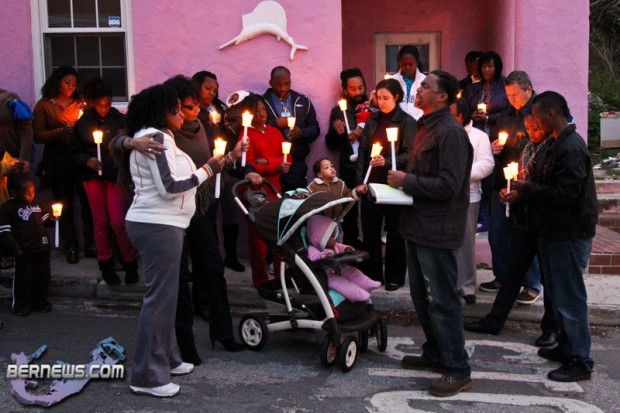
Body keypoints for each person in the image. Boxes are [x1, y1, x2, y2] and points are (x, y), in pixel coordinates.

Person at [121, 83, 224, 398]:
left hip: (166, 224)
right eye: (177, 108)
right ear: (160, 111)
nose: (182, 112)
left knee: (167, 299)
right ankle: (147, 376)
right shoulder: (156, 138)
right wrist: (209, 169)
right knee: (159, 301)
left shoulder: (164, 138)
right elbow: (170, 185)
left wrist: (222, 161)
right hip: (156, 224)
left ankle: (168, 358)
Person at [387, 70, 473, 397]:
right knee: (421, 298)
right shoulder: (426, 125)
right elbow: (421, 168)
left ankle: (457, 368)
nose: (418, 88)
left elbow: (449, 186)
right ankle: (435, 352)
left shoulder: (450, 132)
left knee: (443, 300)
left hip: (437, 228)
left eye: (425, 86)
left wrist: (405, 181)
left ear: (442, 97)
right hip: (416, 223)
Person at [510, 91, 597, 382]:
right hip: (552, 231)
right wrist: (521, 191)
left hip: (569, 233)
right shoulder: (556, 144)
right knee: (559, 296)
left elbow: (567, 194)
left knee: (570, 298)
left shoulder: (570, 147)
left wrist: (528, 190)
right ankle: (566, 346)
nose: (533, 122)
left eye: (536, 116)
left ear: (549, 114)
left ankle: (580, 361)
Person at [464, 113, 558, 347]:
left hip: (545, 222)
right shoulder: (527, 147)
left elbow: (551, 188)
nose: (531, 133)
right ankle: (494, 321)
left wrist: (524, 190)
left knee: (550, 278)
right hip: (523, 219)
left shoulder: (554, 149)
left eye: (535, 128)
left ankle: (551, 329)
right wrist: (512, 190)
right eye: (528, 128)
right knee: (513, 274)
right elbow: (519, 176)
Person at [479, 72, 544, 306]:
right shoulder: (506, 114)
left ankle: (531, 284)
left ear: (529, 89)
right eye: (508, 95)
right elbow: (496, 139)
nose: (512, 99)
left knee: (524, 236)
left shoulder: (539, 113)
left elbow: (541, 145)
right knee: (498, 234)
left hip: (526, 183)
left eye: (515, 94)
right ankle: (503, 277)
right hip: (502, 180)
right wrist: (494, 147)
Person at [72, 77, 137, 285]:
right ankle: (106, 264)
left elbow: (126, 146)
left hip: (114, 176)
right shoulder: (83, 123)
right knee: (100, 221)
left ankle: (129, 262)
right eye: (99, 105)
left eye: (107, 104)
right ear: (92, 103)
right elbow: (74, 151)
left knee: (118, 221)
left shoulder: (119, 120)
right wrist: (86, 159)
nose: (104, 109)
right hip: (92, 177)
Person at [355, 78, 416, 290]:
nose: (381, 102)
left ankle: (395, 276)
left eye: (386, 98)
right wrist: (360, 182)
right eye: (378, 98)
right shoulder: (373, 120)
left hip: (393, 183)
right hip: (372, 184)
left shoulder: (407, 122)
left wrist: (387, 162)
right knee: (370, 231)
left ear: (397, 97)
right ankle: (373, 275)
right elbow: (363, 151)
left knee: (395, 232)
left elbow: (409, 155)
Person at [32, 65, 95, 264]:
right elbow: (37, 135)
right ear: (57, 82)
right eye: (67, 82)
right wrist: (59, 132)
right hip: (58, 160)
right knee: (64, 202)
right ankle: (71, 244)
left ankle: (91, 242)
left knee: (86, 201)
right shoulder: (44, 105)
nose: (70, 87)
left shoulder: (81, 104)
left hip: (81, 158)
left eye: (74, 84)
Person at [191, 71, 246, 272]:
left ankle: (230, 256)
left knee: (229, 212)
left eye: (215, 89)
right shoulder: (194, 114)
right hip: (206, 171)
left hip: (225, 167)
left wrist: (232, 128)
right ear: (196, 88)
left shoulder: (220, 108)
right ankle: (210, 257)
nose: (212, 93)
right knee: (209, 214)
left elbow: (225, 136)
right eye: (208, 89)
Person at [239, 93, 290, 287]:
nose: (261, 114)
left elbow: (287, 158)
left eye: (263, 110)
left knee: (278, 236)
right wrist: (273, 166)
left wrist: (268, 162)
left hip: (275, 189)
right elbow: (249, 165)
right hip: (256, 192)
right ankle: (260, 280)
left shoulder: (275, 132)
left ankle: (280, 279)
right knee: (257, 239)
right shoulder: (246, 135)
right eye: (256, 111)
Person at [450, 99, 494, 304]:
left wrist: (461, 174)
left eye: (454, 114)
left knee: (466, 241)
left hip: (469, 194)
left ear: (463, 115)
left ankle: (466, 284)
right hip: (443, 195)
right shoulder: (443, 133)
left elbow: (486, 164)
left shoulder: (479, 137)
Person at [325, 68, 368, 248]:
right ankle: (352, 247)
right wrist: (335, 131)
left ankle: (370, 250)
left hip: (369, 167)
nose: (358, 92)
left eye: (361, 87)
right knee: (349, 212)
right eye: (353, 89)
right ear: (344, 90)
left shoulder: (372, 107)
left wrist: (364, 130)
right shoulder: (338, 111)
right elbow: (331, 145)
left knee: (370, 212)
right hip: (349, 169)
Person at [0, 174, 53, 316]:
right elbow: (5, 231)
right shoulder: (8, 209)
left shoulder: (37, 204)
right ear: (14, 193)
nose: (31, 195)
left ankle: (40, 302)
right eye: (27, 193)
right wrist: (14, 247)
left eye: (33, 192)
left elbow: (46, 218)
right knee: (24, 278)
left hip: (42, 247)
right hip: (24, 250)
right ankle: (22, 304)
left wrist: (54, 217)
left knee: (43, 277)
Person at [263, 66, 320, 192]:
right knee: (272, 202)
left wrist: (302, 132)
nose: (283, 88)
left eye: (286, 84)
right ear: (271, 83)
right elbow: (255, 127)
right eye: (278, 84)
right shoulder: (262, 102)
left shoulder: (303, 101)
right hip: (271, 162)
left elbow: (315, 129)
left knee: (295, 203)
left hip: (296, 162)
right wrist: (275, 123)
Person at [306, 214, 381, 302]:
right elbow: (313, 258)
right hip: (327, 274)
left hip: (340, 268)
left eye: (334, 235)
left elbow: (339, 246)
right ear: (321, 238)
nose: (335, 239)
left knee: (353, 271)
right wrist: (325, 255)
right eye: (331, 237)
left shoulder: (334, 245)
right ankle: (358, 294)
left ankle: (367, 283)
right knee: (342, 284)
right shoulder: (313, 249)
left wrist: (346, 249)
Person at [463, 51, 508, 138]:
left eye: (490, 66)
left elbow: (508, 113)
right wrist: (472, 115)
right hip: (476, 134)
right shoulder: (472, 88)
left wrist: (488, 118)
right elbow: (463, 109)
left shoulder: (505, 88)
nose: (486, 70)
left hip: (498, 133)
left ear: (497, 67)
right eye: (483, 66)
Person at [307, 157, 364, 223]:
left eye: (332, 166)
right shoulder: (313, 186)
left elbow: (347, 197)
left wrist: (357, 190)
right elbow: (308, 202)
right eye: (326, 167)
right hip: (319, 221)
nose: (331, 168)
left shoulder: (340, 184)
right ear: (320, 174)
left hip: (336, 220)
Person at [390, 45, 426, 120]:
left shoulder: (424, 80)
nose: (407, 67)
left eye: (411, 64)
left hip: (419, 122)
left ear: (417, 62)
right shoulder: (393, 80)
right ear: (399, 63)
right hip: (397, 122)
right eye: (404, 64)